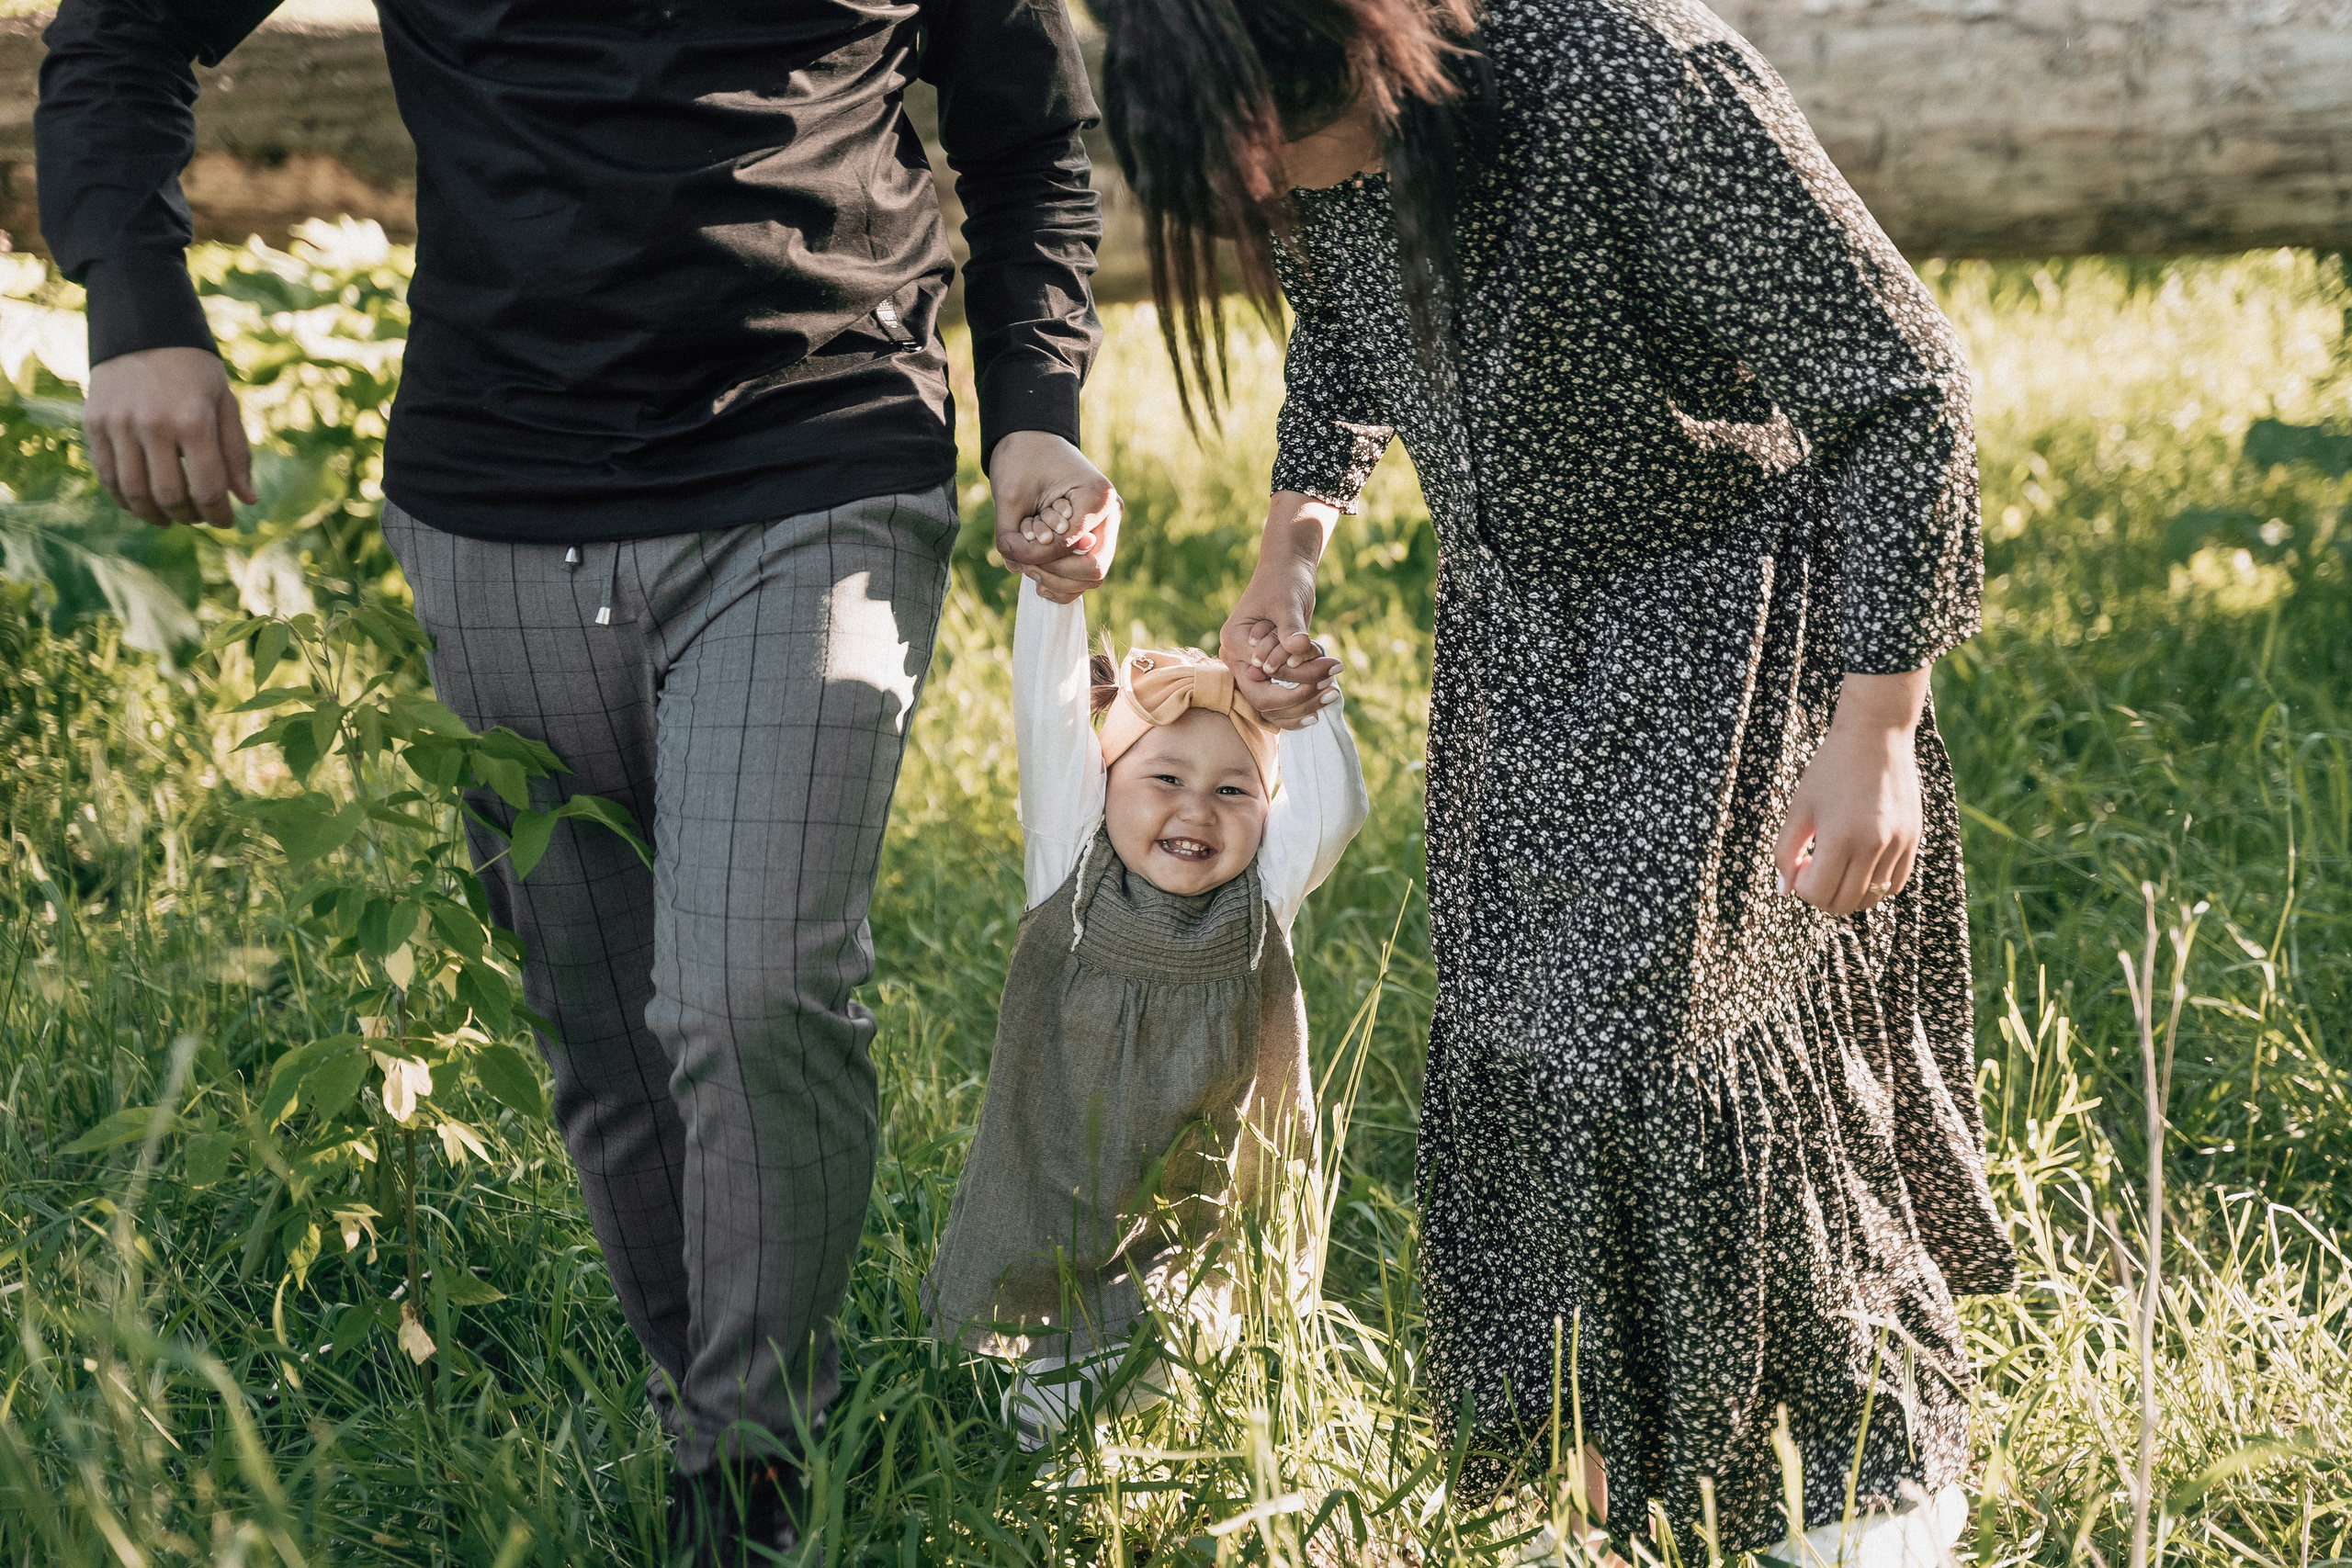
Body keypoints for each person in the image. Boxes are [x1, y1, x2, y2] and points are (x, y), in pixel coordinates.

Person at [38, 0, 1121, 1559]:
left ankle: (752, 1472)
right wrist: (139, 304)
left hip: (820, 453)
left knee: (751, 994)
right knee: (609, 1036)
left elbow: (1028, 134)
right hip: (496, 485)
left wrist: (1036, 414)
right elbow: (124, 32)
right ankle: (715, 1418)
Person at [1093, 0, 2018, 1559]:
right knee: (1526, 1050)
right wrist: (1285, 560)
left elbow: (1906, 387)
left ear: (1364, 54)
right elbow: (1347, 323)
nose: (1292, 219)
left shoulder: (1636, 83)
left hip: (1736, 624)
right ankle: (1613, 1486)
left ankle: (1866, 1480)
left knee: (1680, 1051)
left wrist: (1872, 730)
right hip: (1523, 638)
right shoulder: (1330, 160)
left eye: (1301, 174)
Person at [925, 572, 1365, 1448]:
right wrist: (1054, 591)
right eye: (1165, 775)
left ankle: (1171, 1373)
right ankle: (1049, 1373)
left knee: (1180, 1366)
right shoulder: (1069, 866)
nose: (1195, 809)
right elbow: (1046, 718)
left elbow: (1336, 813)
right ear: (1104, 781)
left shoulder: (1260, 899)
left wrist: (1299, 696)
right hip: (1056, 1185)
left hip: (1187, 1214)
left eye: (1235, 791)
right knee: (1035, 1398)